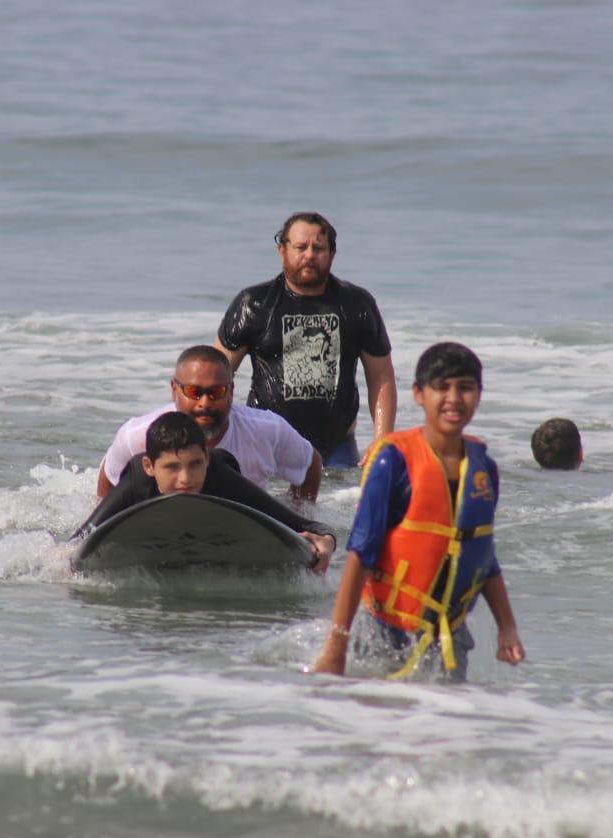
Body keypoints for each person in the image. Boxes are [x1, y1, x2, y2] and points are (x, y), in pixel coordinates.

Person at [312, 342, 524, 681]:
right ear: (418, 394)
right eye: (441, 387)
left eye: (465, 388)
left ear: (479, 395)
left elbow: (484, 555)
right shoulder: (393, 461)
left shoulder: (484, 468)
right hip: (384, 632)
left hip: (449, 637)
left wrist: (507, 627)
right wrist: (337, 643)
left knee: (444, 727)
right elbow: (360, 553)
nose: (454, 398)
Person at [214, 212, 396, 467]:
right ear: (282, 251)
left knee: (337, 505)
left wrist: (382, 439)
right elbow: (214, 374)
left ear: (332, 254)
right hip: (265, 443)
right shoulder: (253, 304)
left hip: (337, 448)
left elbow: (381, 377)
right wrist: (215, 433)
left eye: (318, 248)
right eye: (300, 247)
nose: (309, 255)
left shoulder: (357, 304)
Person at [77, 412, 336, 573]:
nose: (186, 479)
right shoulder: (136, 481)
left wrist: (326, 545)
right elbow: (80, 541)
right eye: (171, 467)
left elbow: (312, 527)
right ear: (149, 467)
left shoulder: (220, 477)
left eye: (195, 464)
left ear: (206, 460)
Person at [97, 345, 322, 501]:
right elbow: (109, 478)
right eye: (194, 392)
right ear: (174, 390)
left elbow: (311, 463)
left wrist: (299, 510)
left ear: (231, 391)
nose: (204, 403)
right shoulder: (137, 435)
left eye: (216, 392)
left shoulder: (267, 431)